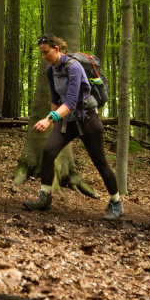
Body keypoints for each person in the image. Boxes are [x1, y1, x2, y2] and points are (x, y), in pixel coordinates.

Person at [24, 34, 124, 219]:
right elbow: (56, 99)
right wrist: (53, 120)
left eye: (46, 52)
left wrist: (48, 119)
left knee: (100, 162)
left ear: (56, 48)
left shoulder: (74, 67)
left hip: (87, 118)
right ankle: (44, 198)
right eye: (41, 53)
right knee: (48, 152)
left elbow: (70, 101)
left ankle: (116, 203)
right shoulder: (50, 70)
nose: (44, 56)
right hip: (66, 120)